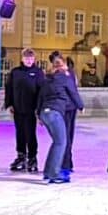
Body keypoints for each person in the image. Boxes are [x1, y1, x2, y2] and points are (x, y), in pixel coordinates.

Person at [37, 51, 84, 183]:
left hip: (44, 112)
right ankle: (54, 174)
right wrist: (81, 105)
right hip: (56, 112)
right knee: (61, 142)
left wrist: (38, 114)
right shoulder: (64, 77)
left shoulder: (47, 79)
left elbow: (40, 96)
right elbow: (73, 92)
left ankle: (48, 172)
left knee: (57, 142)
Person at [4, 48, 44, 173]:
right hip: (18, 108)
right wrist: (9, 103)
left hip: (31, 109)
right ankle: (21, 155)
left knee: (30, 134)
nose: (29, 60)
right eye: (27, 58)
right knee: (20, 133)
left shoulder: (38, 73)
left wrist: (39, 107)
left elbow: (41, 91)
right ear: (22, 58)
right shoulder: (15, 72)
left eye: (31, 58)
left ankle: (32, 157)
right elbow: (9, 88)